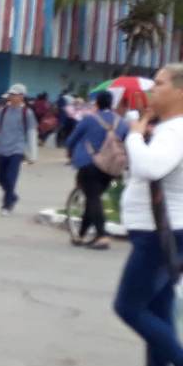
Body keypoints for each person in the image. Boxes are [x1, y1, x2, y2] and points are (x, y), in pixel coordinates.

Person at [109, 66, 183, 366]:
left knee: (129, 306)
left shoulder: (176, 131)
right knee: (159, 311)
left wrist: (135, 135)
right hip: (160, 231)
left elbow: (150, 169)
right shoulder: (169, 129)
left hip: (160, 235)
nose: (153, 89)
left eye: (160, 83)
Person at [66, 89, 123, 249]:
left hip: (89, 164)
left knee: (92, 198)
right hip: (110, 168)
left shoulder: (89, 119)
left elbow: (72, 139)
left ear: (96, 103)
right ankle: (81, 234)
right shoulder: (121, 122)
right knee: (93, 197)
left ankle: (102, 235)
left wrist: (70, 152)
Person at [0, 84, 39, 214]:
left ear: (22, 96)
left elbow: (31, 134)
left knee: (11, 177)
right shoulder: (2, 111)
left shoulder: (27, 113)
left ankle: (6, 205)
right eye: (11, 94)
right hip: (2, 148)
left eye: (15, 94)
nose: (12, 97)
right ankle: (13, 196)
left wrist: (33, 155)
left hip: (17, 149)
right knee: (1, 178)